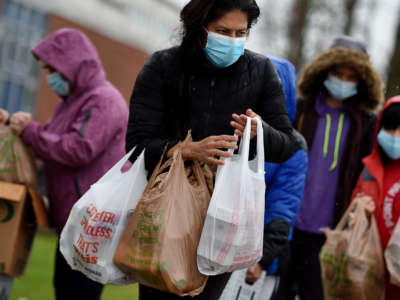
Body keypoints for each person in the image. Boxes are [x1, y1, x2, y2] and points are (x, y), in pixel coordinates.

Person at [125, 0, 305, 299]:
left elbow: (287, 145)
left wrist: (260, 131)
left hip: (223, 219)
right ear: (199, 28)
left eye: (240, 33)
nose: (232, 41)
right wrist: (186, 150)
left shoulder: (260, 71)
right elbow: (136, 146)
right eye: (223, 31)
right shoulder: (163, 66)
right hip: (165, 212)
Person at [5, 28, 129, 300]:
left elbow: (77, 149)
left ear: (71, 66)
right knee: (64, 290)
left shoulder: (103, 101)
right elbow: (48, 141)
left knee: (77, 294)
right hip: (74, 223)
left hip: (92, 226)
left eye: (51, 70)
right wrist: (12, 124)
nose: (49, 77)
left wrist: (30, 131)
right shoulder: (72, 102)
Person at [290, 36, 384, 300]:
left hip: (331, 233)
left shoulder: (365, 124)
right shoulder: (302, 110)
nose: (343, 81)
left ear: (362, 81)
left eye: (351, 76)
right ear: (324, 71)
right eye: (337, 73)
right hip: (289, 225)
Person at [245, 57, 308, 300]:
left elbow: (283, 207)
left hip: (256, 259)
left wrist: (262, 260)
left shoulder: (293, 147)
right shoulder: (235, 126)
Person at [352, 96, 400, 300]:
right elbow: (353, 214)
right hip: (370, 275)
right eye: (390, 129)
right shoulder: (369, 170)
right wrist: (359, 213)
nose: (395, 137)